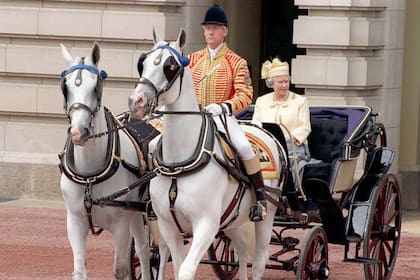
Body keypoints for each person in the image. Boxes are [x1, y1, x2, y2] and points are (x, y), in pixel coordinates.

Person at [188, 4, 266, 222]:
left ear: (225, 31)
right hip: (194, 119)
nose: (210, 32)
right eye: (207, 28)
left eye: (215, 28)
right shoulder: (191, 61)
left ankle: (260, 199)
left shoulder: (236, 62)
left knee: (244, 147)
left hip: (222, 118)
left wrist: (225, 107)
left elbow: (245, 94)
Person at [252, 58, 318, 215]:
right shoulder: (262, 101)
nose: (284, 85)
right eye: (280, 82)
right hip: (267, 147)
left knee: (289, 166)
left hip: (294, 148)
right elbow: (256, 125)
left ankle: (290, 199)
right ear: (272, 83)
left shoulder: (300, 101)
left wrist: (286, 140)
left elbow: (304, 127)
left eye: (286, 82)